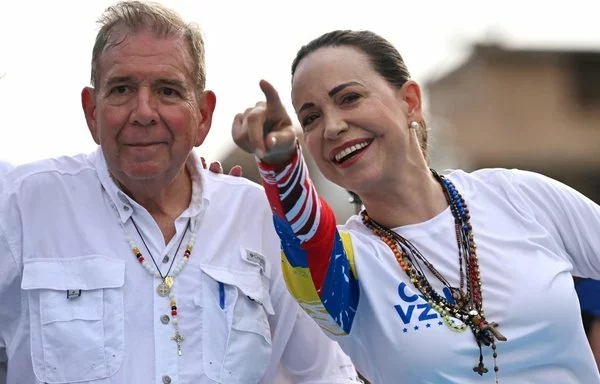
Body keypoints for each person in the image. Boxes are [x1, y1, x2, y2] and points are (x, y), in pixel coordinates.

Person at [0, 4, 362, 383]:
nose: (143, 112)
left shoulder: (258, 218)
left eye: (167, 91)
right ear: (92, 111)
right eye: (122, 89)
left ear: (203, 117)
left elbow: (325, 375)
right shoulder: (23, 205)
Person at [232, 29, 600, 383]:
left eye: (349, 98)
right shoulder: (345, 264)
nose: (333, 126)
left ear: (409, 101)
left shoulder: (517, 196)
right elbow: (306, 237)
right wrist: (281, 165)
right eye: (310, 118)